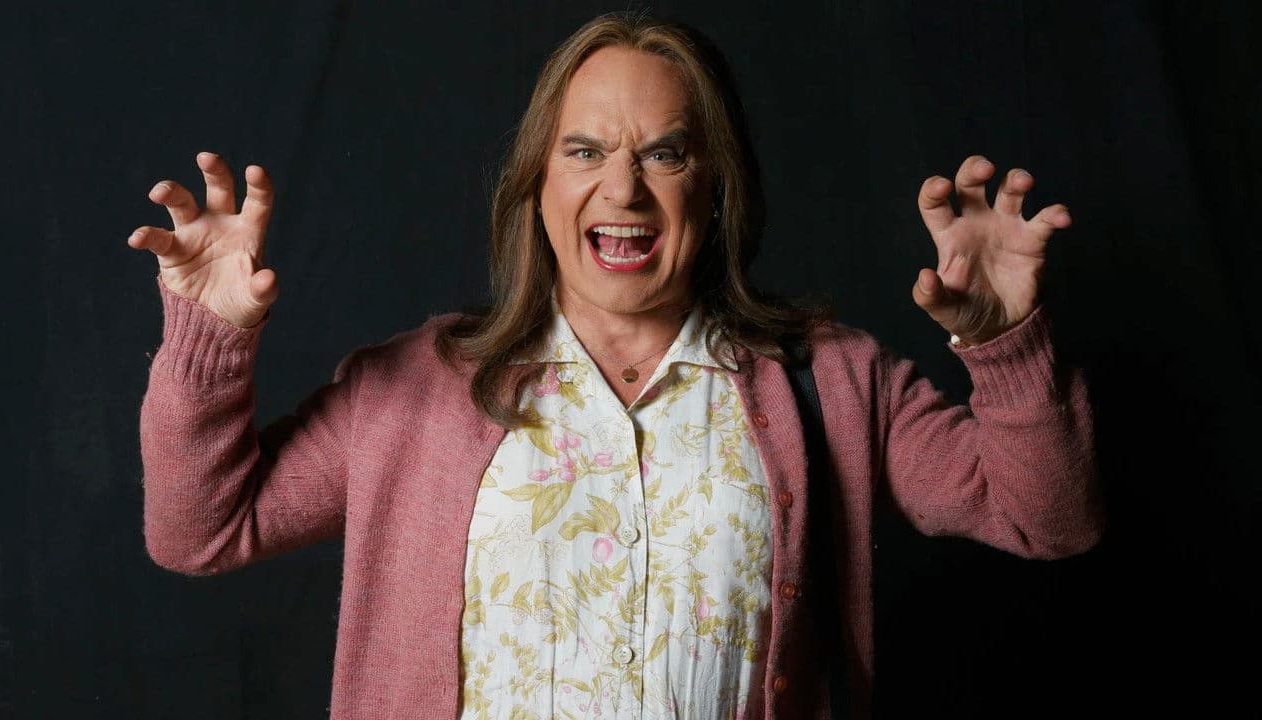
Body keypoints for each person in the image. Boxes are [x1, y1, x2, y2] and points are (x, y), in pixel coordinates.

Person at [128, 11, 1103, 720]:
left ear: (714, 187)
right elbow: (200, 532)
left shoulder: (835, 383)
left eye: (665, 154)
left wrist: (1005, 343)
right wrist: (207, 337)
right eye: (584, 150)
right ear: (538, 184)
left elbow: (1046, 519)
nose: (622, 188)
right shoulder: (414, 385)